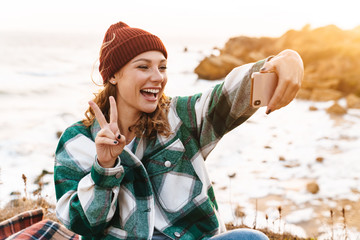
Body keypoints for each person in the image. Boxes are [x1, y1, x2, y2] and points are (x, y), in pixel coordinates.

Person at [54, 21, 303, 240]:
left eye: (162, 67)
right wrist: (105, 167)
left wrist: (285, 59)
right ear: (113, 76)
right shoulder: (76, 142)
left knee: (251, 239)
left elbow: (229, 94)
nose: (158, 77)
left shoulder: (181, 118)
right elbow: (82, 225)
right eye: (144, 67)